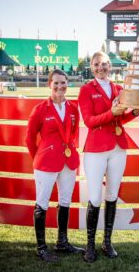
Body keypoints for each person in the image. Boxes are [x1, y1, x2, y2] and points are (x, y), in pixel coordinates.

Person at [78, 51, 139, 263]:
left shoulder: (118, 89)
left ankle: (107, 242)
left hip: (117, 148)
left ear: (109, 66)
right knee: (95, 197)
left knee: (112, 195)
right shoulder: (86, 90)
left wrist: (134, 113)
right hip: (95, 149)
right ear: (91, 66)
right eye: (96, 64)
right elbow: (89, 121)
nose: (100, 68)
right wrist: (111, 113)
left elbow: (120, 120)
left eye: (104, 64)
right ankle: (90, 245)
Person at [25, 69, 83, 262]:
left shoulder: (73, 108)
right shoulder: (40, 109)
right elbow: (29, 138)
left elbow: (72, 134)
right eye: (56, 83)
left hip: (68, 161)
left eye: (63, 83)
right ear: (49, 84)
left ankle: (62, 242)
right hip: (45, 163)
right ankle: (41, 248)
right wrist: (40, 158)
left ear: (68, 84)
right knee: (42, 203)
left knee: (65, 201)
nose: (60, 86)